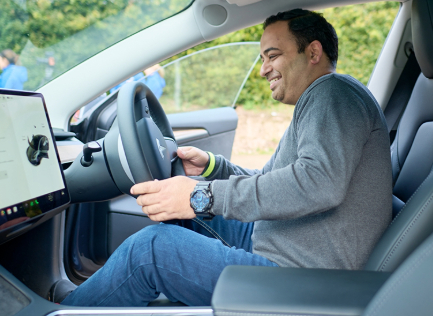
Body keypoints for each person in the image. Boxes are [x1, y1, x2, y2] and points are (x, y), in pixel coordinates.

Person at [62, 9, 392, 307]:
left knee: (150, 250)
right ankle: (99, 297)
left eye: (272, 56)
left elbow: (319, 184)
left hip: (300, 273)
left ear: (313, 52)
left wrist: (199, 196)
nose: (263, 70)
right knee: (175, 218)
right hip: (284, 241)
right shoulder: (325, 100)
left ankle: (66, 310)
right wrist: (211, 167)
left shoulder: (332, 93)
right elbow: (275, 180)